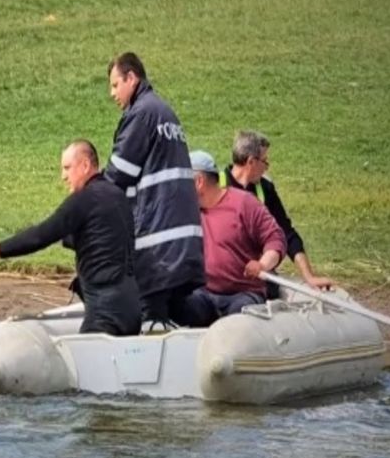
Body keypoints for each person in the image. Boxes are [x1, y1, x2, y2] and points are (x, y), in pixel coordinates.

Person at [0, 139, 141, 336]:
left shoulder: (83, 200)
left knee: (78, 366)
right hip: (132, 311)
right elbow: (96, 239)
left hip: (104, 316)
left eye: (67, 168)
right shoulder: (117, 196)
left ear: (85, 166)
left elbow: (40, 236)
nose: (63, 176)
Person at [104, 52, 204, 326]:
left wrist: (91, 197)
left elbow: (119, 173)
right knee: (174, 309)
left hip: (156, 244)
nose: (112, 94)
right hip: (182, 242)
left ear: (131, 78)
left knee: (151, 313)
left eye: (115, 85)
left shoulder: (142, 114)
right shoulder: (165, 111)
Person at [181, 150, 286, 327]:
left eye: (182, 182)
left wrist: (262, 265)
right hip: (204, 293)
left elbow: (275, 240)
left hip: (243, 293)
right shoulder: (187, 212)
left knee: (238, 321)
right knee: (180, 308)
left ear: (199, 182)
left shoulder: (244, 203)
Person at [222, 130, 334, 296]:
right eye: (265, 161)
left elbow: (286, 233)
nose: (267, 166)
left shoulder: (265, 189)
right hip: (222, 274)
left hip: (255, 275)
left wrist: (309, 277)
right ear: (251, 162)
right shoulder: (214, 185)